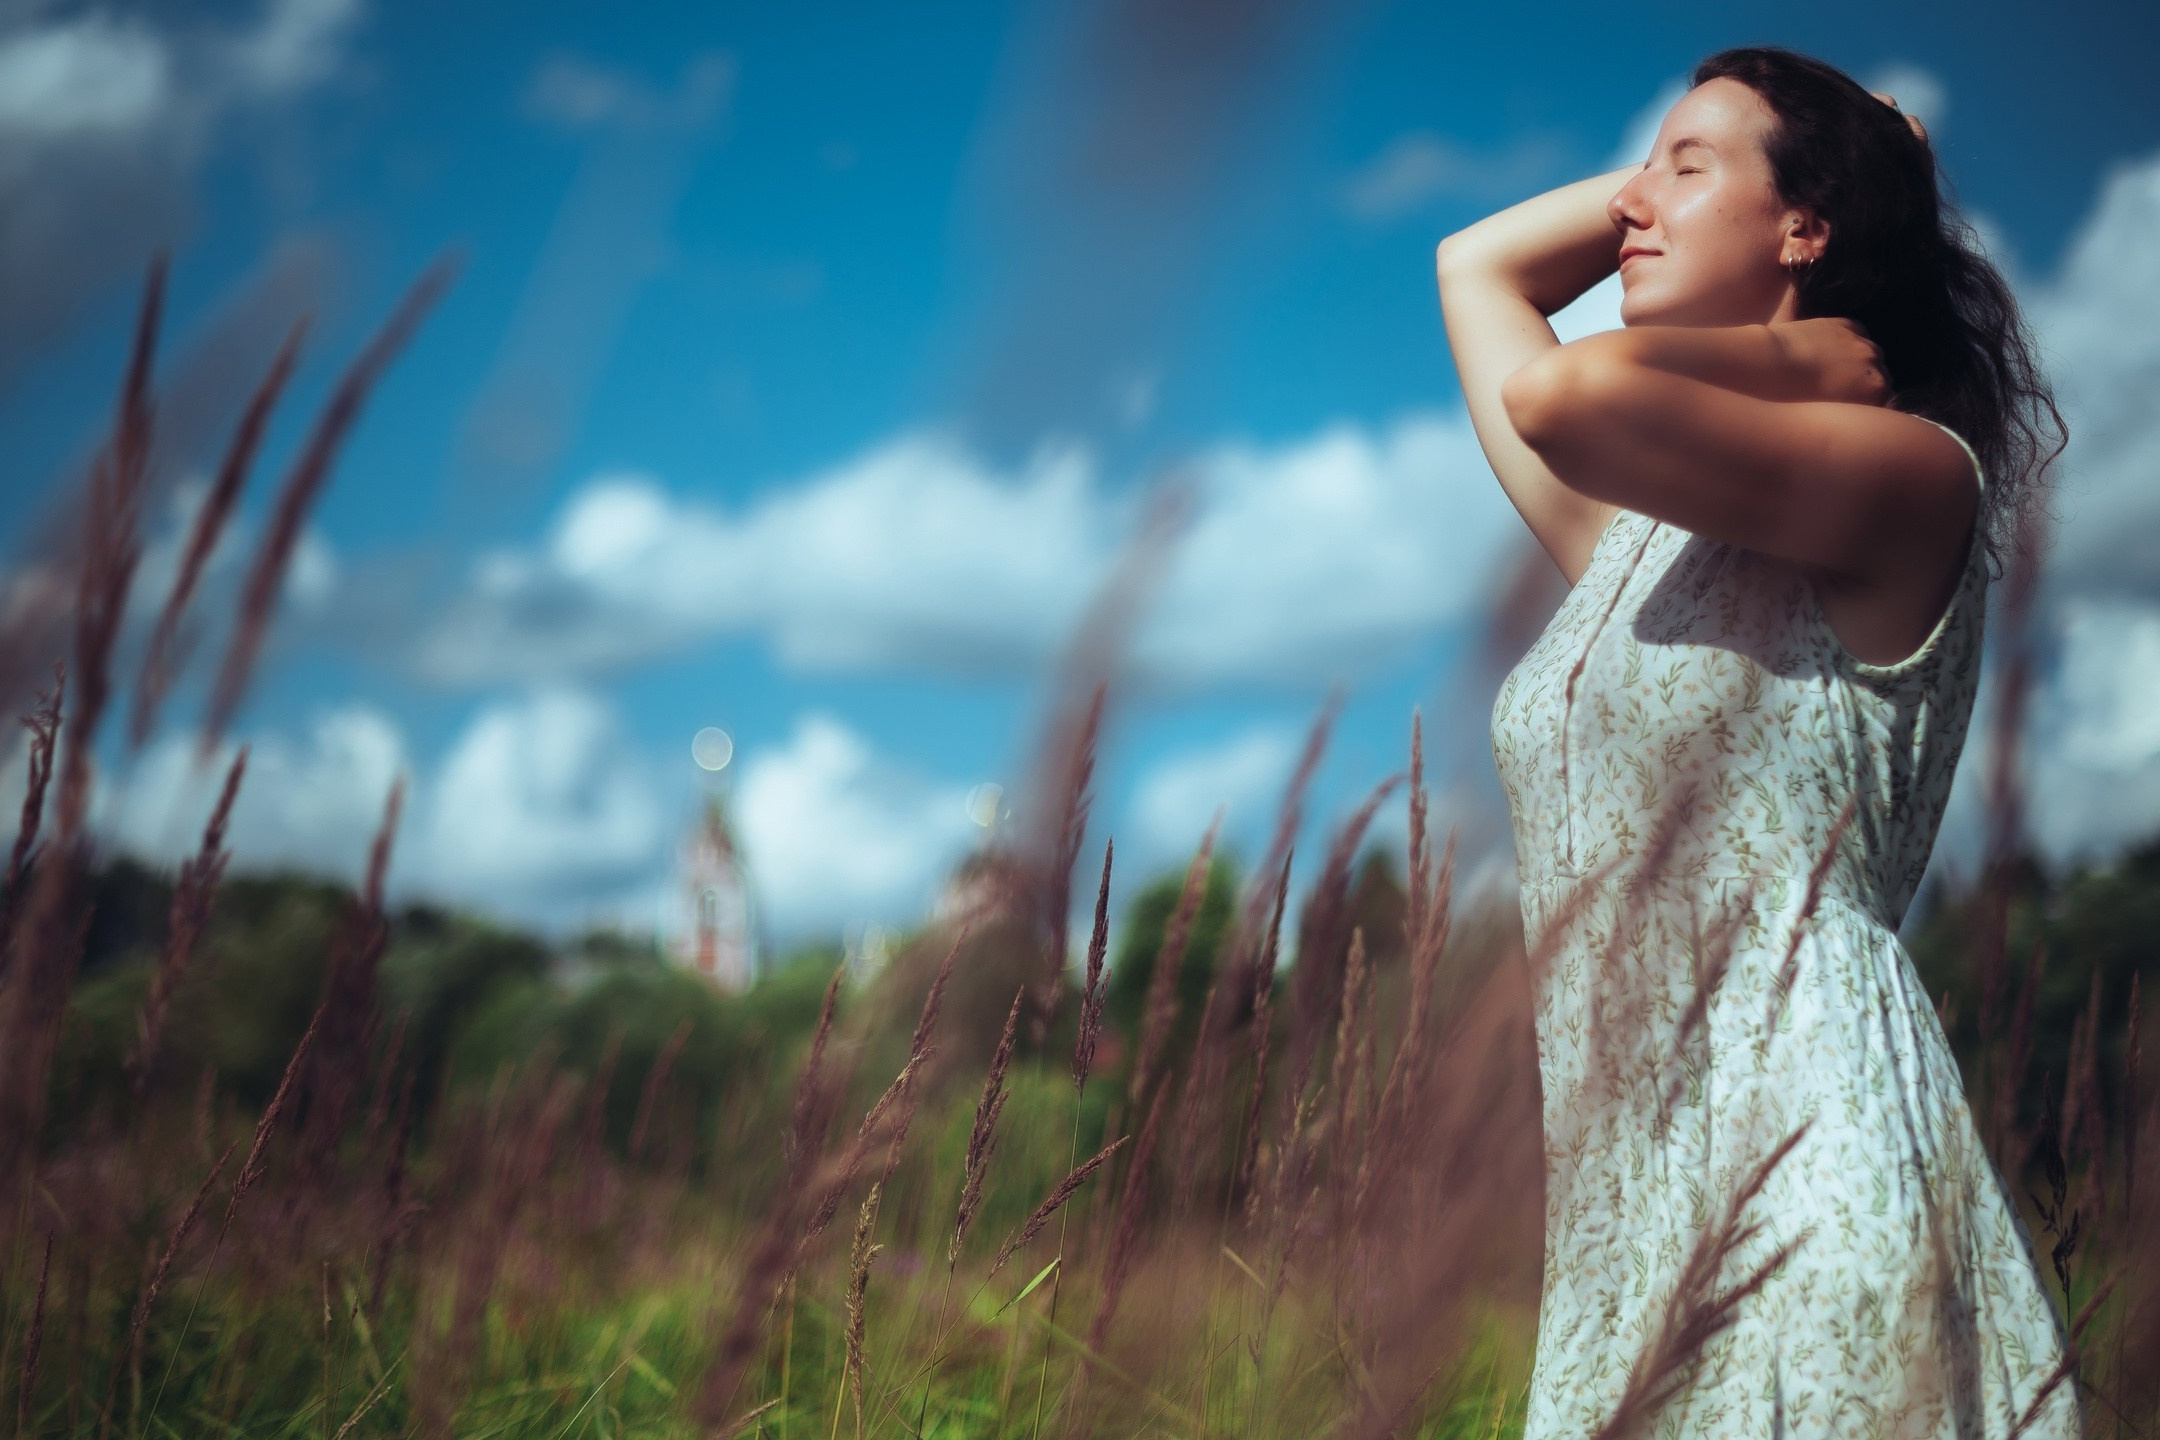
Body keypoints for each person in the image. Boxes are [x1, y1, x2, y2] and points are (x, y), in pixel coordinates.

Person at [1436, 44, 2080, 1439]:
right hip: (1625, 1204)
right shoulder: (1637, 550)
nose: (1631, 210)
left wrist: (1804, 349)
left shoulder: (1910, 478)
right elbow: (1473, 270)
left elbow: (1564, 395)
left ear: (1806, 228)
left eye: (1685, 165)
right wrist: (1705, 185)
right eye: (1638, 168)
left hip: (1816, 1163)